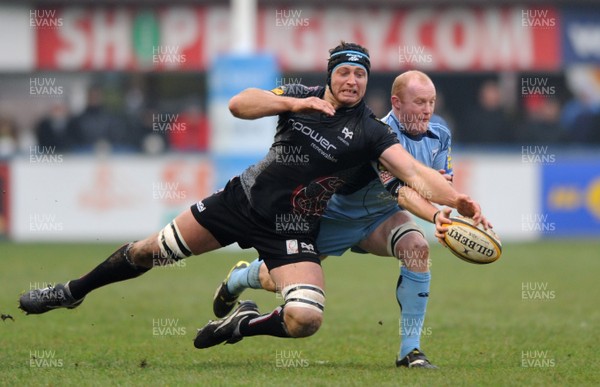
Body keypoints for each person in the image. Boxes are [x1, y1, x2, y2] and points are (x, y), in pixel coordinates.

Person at [19, 42, 482, 354]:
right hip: (240, 202)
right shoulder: (299, 95)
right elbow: (240, 104)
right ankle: (72, 292)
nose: (352, 81)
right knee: (149, 251)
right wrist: (292, 104)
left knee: (305, 319)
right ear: (330, 75)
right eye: (344, 72)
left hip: (294, 230)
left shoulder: (371, 131)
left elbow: (416, 175)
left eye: (360, 75)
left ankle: (243, 323)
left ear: (366, 82)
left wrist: (456, 200)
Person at [212, 70, 467, 368]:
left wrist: (458, 208)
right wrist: (437, 215)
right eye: (419, 102)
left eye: (431, 102)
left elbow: (438, 186)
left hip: (380, 219)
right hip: (334, 217)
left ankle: (410, 352)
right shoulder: (376, 134)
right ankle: (239, 278)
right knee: (271, 279)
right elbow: (402, 192)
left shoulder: (441, 135)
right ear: (396, 103)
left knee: (416, 247)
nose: (426, 109)